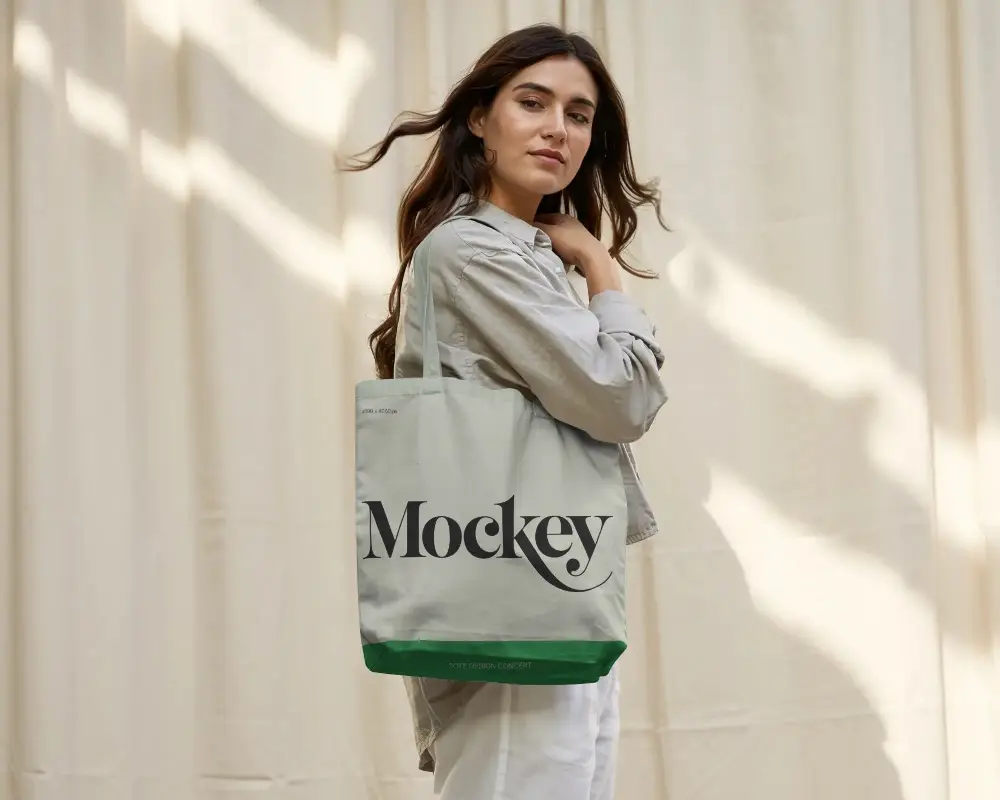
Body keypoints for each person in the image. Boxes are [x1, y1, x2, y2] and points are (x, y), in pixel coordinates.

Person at [342, 22, 668, 800]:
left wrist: (575, 259)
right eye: (533, 101)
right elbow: (621, 396)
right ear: (481, 119)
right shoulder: (473, 252)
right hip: (512, 591)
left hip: (551, 588)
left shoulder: (525, 256)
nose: (559, 127)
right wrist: (600, 267)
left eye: (580, 114)